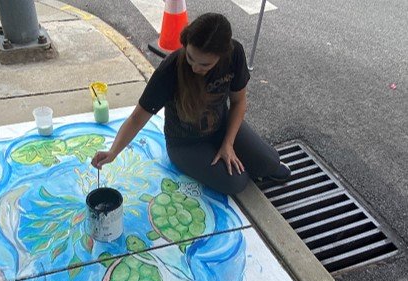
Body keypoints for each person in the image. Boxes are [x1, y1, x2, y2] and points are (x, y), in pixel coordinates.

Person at [91, 13, 290, 195]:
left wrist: (228, 144)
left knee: (270, 162)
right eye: (190, 57)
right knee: (237, 183)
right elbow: (137, 117)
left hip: (221, 126)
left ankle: (250, 161)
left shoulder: (235, 53)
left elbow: (238, 102)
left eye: (205, 64)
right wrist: (113, 152)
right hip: (185, 144)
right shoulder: (170, 70)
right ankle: (233, 162)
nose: (195, 67)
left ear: (222, 55)